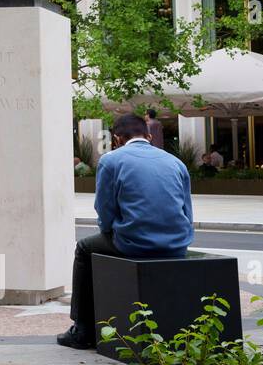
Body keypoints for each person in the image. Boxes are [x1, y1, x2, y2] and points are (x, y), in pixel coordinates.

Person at [56, 114, 194, 349]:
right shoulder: (175, 162)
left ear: (117, 139)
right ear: (149, 136)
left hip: (135, 242)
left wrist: (110, 232)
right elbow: (187, 210)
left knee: (84, 248)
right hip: (178, 243)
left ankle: (83, 329)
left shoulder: (111, 161)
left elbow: (104, 209)